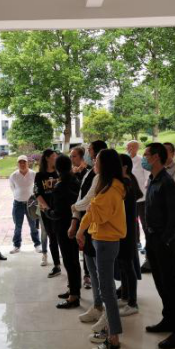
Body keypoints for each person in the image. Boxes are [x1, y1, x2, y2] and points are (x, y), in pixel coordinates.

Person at [77, 148, 127, 349]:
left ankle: (113, 338)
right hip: (100, 239)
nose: (93, 162)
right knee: (106, 288)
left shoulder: (112, 189)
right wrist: (81, 229)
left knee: (107, 290)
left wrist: (85, 215)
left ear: (104, 164)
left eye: (96, 159)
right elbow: (92, 212)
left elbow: (96, 213)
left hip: (107, 242)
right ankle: (110, 331)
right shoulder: (105, 185)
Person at [143, 143, 175, 349]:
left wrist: (164, 241)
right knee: (161, 283)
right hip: (152, 239)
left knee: (170, 285)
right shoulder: (153, 179)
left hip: (164, 241)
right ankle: (168, 319)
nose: (144, 158)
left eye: (146, 155)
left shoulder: (167, 183)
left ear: (155, 157)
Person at [71, 140, 108, 331]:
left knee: (103, 275)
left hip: (100, 231)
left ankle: (107, 315)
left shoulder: (104, 178)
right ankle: (97, 305)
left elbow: (88, 201)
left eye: (90, 151)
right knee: (92, 269)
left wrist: (74, 208)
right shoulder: (91, 173)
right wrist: (77, 219)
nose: (88, 154)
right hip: (89, 226)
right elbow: (83, 197)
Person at [51, 154, 82, 309]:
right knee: (74, 260)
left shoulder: (60, 186)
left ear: (57, 168)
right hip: (75, 223)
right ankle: (74, 290)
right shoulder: (75, 181)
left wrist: (46, 211)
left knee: (69, 261)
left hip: (64, 227)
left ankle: (73, 296)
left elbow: (57, 212)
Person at [117, 154, 143, 317]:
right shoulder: (127, 180)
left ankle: (132, 302)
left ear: (124, 167)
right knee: (123, 264)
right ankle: (125, 296)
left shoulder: (127, 182)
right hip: (123, 228)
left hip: (127, 230)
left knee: (127, 265)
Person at [35, 149, 62, 277]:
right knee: (52, 238)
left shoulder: (60, 173)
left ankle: (67, 262)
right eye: (53, 156)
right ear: (47, 158)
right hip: (47, 212)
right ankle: (57, 265)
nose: (56, 158)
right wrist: (47, 209)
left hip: (60, 210)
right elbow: (37, 193)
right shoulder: (40, 175)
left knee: (63, 237)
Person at [9, 155, 41, 254]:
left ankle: (37, 244)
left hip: (31, 203)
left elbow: (37, 187)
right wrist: (19, 195)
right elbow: (13, 188)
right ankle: (16, 245)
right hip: (18, 204)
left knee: (33, 225)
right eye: (20, 162)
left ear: (28, 163)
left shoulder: (33, 174)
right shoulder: (13, 175)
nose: (22, 164)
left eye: (24, 162)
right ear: (17, 164)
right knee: (18, 226)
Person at [70, 146, 92, 289]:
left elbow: (86, 194)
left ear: (82, 157)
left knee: (86, 243)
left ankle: (87, 274)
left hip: (84, 212)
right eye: (71, 156)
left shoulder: (89, 171)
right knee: (75, 244)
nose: (72, 159)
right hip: (73, 212)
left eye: (74, 156)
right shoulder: (70, 172)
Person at [126, 140, 150, 262]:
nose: (129, 149)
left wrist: (146, 186)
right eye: (128, 147)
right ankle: (136, 242)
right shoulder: (125, 161)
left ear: (136, 148)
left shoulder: (142, 161)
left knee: (144, 221)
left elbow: (147, 176)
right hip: (130, 198)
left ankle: (148, 244)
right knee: (132, 222)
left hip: (142, 197)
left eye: (131, 147)